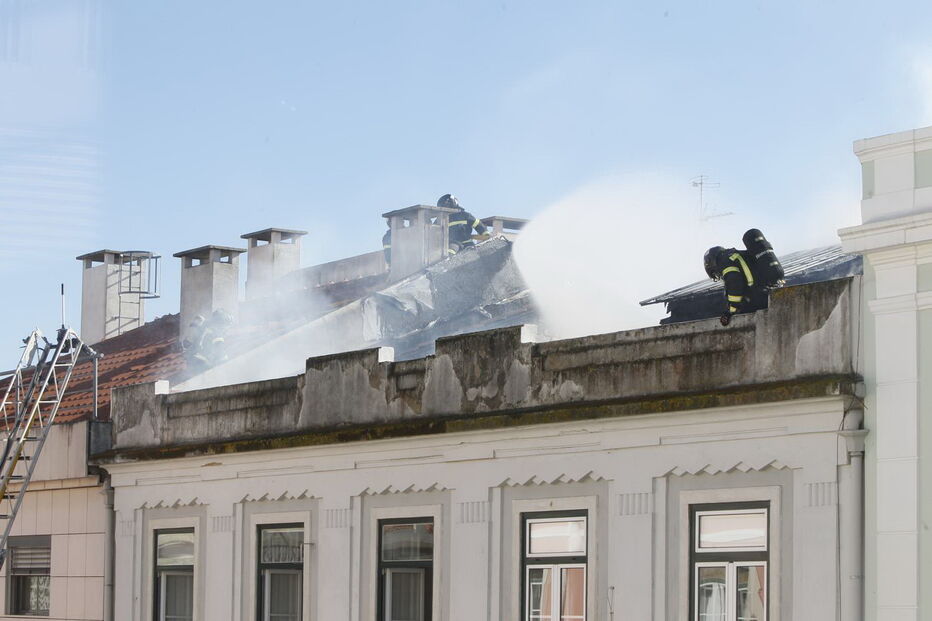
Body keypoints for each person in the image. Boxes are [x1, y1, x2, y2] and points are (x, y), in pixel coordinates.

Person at [703, 245, 769, 326]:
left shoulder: (724, 261)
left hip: (754, 300)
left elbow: (734, 283)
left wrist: (731, 311)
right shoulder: (735, 255)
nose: (718, 274)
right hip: (764, 294)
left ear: (712, 261)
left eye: (715, 272)